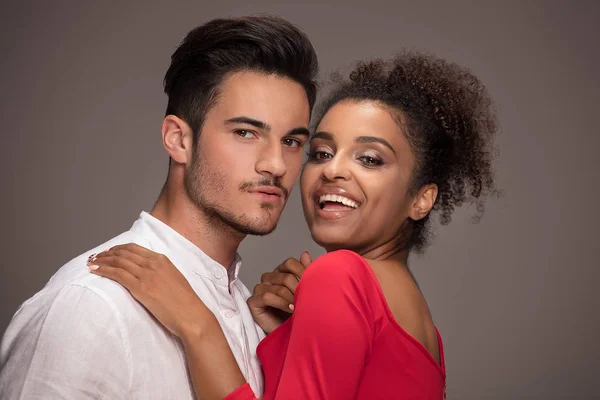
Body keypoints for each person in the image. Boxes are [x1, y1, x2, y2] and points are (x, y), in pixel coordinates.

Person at [89, 51, 498, 399]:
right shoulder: (421, 325)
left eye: (370, 159)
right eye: (320, 153)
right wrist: (289, 337)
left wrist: (198, 326)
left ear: (421, 198)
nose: (332, 170)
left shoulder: (341, 276)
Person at [0, 15, 319, 399]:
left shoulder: (253, 320)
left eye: (292, 142)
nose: (276, 164)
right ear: (178, 140)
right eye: (246, 133)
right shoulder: (94, 306)